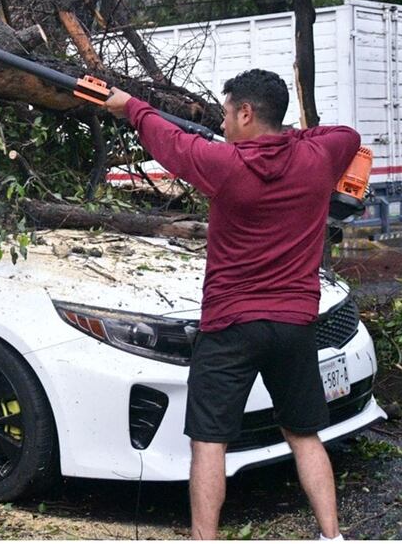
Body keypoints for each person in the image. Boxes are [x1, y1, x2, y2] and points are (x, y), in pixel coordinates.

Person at [104, 70, 360, 541]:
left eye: (225, 114)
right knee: (304, 435)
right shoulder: (319, 156)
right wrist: (285, 139)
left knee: (209, 444)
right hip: (294, 325)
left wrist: (131, 107)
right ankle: (332, 537)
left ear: (246, 113)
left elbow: (169, 142)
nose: (221, 125)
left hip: (230, 326)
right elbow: (348, 135)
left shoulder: (223, 165)